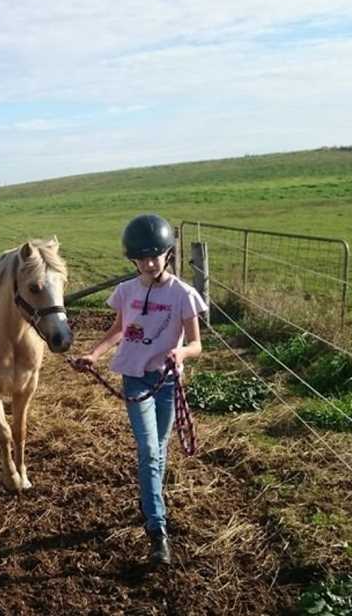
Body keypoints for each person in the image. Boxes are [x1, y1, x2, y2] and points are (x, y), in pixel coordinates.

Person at [76, 213, 207, 566]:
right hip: (134, 377)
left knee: (160, 447)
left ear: (168, 253)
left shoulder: (183, 295)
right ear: (133, 259)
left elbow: (196, 344)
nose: (149, 263)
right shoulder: (126, 291)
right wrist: (94, 354)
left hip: (165, 382)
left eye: (155, 255)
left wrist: (181, 352)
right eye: (142, 258)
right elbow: (119, 330)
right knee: (149, 449)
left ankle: (150, 500)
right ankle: (157, 529)